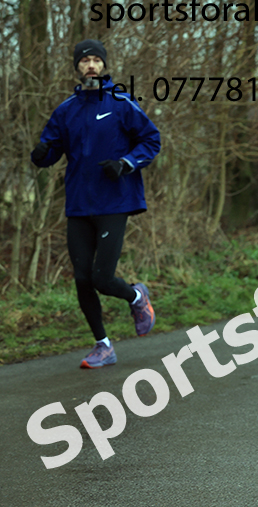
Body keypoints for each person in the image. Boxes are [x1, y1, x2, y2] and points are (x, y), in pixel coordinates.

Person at [31, 39, 161, 369]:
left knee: (102, 277)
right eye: (84, 60)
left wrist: (127, 162)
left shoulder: (121, 102)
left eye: (95, 60)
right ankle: (103, 345)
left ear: (103, 66)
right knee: (81, 278)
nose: (90, 65)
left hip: (114, 201)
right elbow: (51, 151)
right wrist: (42, 154)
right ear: (77, 66)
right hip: (78, 204)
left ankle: (136, 297)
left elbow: (151, 139)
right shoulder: (66, 110)